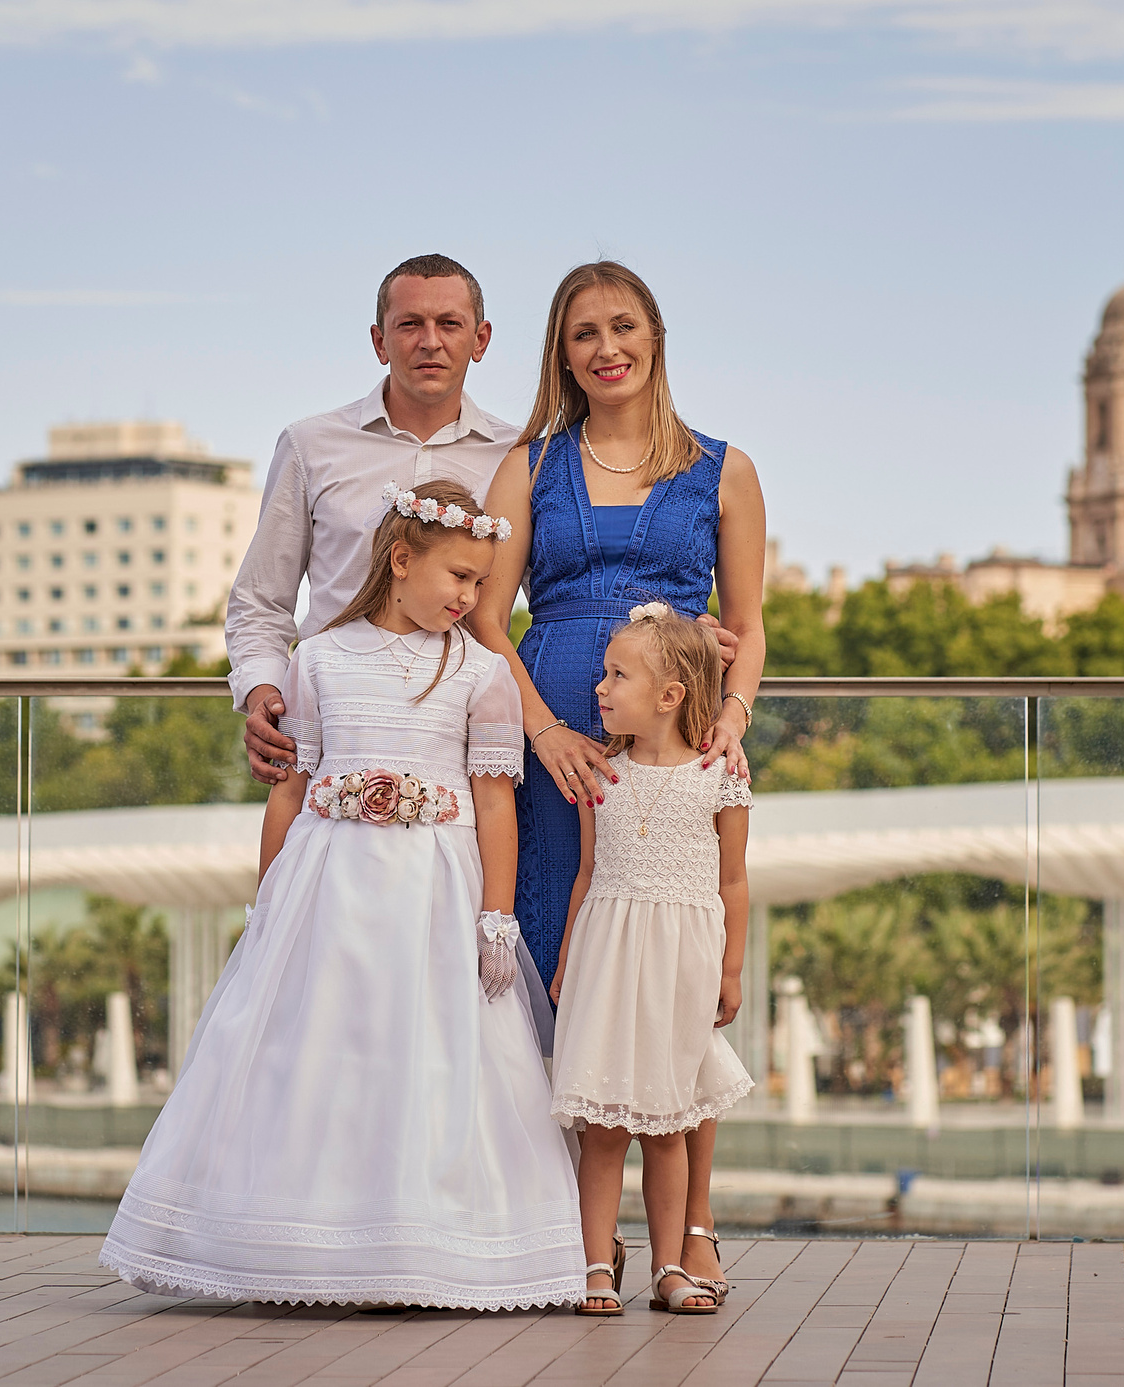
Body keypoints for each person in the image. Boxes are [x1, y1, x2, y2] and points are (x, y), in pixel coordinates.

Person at [101, 481, 583, 1309]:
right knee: (322, 1050)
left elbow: (495, 801)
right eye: (460, 577)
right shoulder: (319, 656)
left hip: (433, 890)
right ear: (401, 560)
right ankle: (294, 1246)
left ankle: (418, 1247)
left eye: (481, 583)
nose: (472, 598)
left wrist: (496, 914)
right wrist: (270, 900)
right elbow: (290, 790)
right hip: (329, 886)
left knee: (423, 1055)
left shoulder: (481, 672)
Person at [469, 259, 767, 1307]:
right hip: (557, 745)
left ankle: (693, 1230)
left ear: (655, 337)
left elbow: (751, 619)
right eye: (583, 332)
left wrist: (729, 713)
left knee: (678, 974)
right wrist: (544, 729)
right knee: (564, 954)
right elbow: (482, 621)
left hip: (675, 749)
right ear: (560, 352)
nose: (606, 347)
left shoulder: (724, 469)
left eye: (623, 326)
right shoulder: (527, 467)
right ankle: (569, 1229)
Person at [225, 255, 516, 787]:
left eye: (449, 323)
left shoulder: (518, 456)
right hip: (329, 735)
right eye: (410, 325)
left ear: (481, 339)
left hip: (468, 743)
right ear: (380, 342)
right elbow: (261, 599)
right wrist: (265, 693)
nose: (430, 341)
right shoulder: (310, 446)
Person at [546, 603, 753, 1317]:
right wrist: (570, 955)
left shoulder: (716, 774)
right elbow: (585, 873)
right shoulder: (601, 773)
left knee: (668, 1126)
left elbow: (734, 881)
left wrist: (730, 969)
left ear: (670, 696)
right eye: (605, 672)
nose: (600, 687)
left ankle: (670, 1263)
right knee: (602, 1131)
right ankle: (596, 1264)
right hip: (608, 957)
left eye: (617, 674)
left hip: (680, 966)